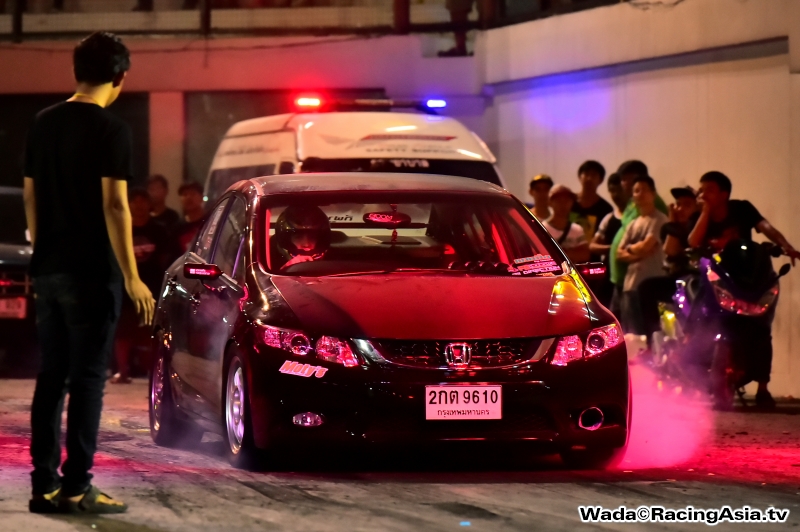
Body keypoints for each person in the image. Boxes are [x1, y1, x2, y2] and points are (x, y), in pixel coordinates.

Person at [22, 32, 154, 515]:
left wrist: (43, 252)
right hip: (92, 272)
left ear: (77, 72)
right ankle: (77, 486)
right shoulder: (111, 129)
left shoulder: (43, 122)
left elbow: (32, 196)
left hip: (49, 269)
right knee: (88, 380)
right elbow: (115, 205)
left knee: (51, 377)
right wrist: (133, 276)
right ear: (120, 77)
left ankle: (43, 486)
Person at [687, 171, 800, 407]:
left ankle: (763, 388)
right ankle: (692, 361)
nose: (702, 194)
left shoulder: (742, 209)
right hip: (715, 279)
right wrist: (705, 212)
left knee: (761, 327)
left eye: (708, 190)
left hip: (747, 279)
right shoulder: (699, 215)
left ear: (724, 194)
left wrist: (785, 246)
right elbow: (693, 242)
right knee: (697, 314)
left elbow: (766, 227)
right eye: (701, 190)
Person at [111, 189, 177, 384]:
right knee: (123, 332)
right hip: (126, 288)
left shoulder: (159, 230)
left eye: (143, 201)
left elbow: (166, 258)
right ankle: (123, 371)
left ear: (149, 205)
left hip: (152, 288)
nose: (139, 205)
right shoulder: (122, 228)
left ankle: (154, 373)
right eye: (135, 201)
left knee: (152, 332)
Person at [636, 185, 698, 345]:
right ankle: (653, 339)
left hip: (699, 283)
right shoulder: (669, 229)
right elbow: (670, 250)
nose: (680, 209)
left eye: (687, 205)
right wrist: (673, 223)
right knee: (646, 288)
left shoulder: (700, 228)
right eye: (678, 204)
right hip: (678, 282)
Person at [608, 160, 668, 317]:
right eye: (623, 179)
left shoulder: (656, 209)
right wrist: (633, 252)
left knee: (642, 324)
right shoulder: (632, 205)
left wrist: (630, 250)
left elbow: (647, 246)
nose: (625, 183)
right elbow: (622, 250)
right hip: (626, 279)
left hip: (646, 279)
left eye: (629, 178)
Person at [589, 173, 629, 307]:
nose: (616, 195)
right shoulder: (609, 218)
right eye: (612, 191)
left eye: (619, 190)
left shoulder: (635, 218)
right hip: (609, 275)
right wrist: (613, 249)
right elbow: (592, 246)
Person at [571, 160, 613, 256]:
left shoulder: (605, 208)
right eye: (586, 174)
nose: (589, 178)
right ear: (579, 177)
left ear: (601, 180)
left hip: (592, 260)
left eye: (593, 175)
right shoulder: (569, 202)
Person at [274, 206, 331, 270]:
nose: (306, 244)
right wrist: (287, 269)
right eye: (298, 237)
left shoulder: (333, 260)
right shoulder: (270, 261)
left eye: (312, 237)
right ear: (286, 240)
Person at [543, 184, 590, 264]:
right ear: (550, 203)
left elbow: (585, 255)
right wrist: (572, 253)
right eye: (559, 201)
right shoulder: (542, 229)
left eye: (567, 200)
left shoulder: (577, 230)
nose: (563, 204)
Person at [174, 182, 207, 254]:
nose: (188, 197)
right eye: (184, 194)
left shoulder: (210, 220)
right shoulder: (178, 228)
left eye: (193, 194)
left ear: (201, 197)